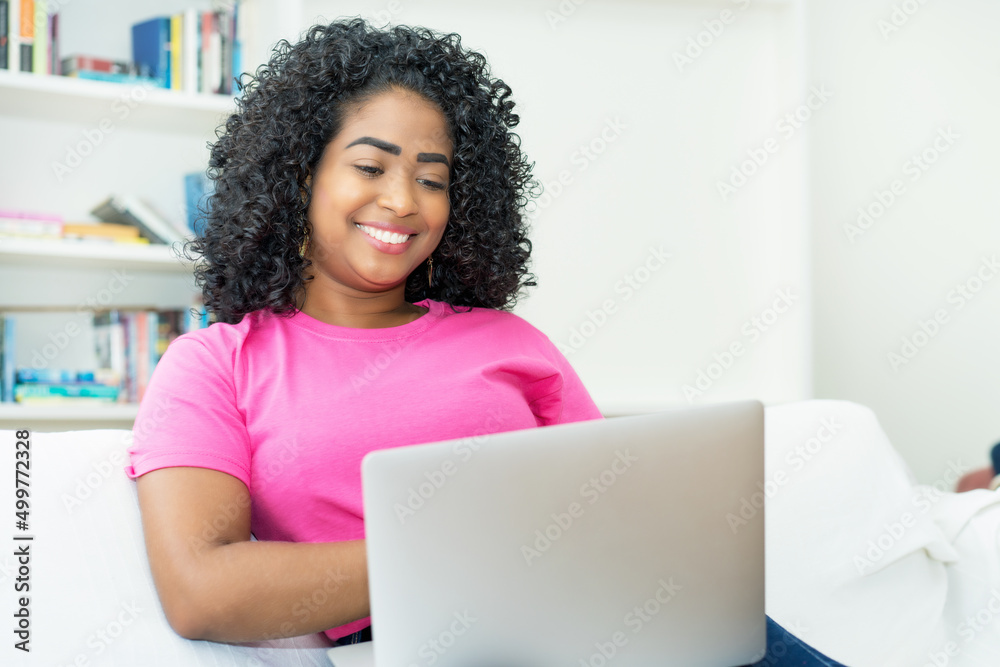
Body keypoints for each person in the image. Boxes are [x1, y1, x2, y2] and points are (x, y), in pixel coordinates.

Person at [124, 17, 845, 665]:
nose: (403, 201)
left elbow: (615, 513)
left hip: (619, 617)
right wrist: (467, 556)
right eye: (370, 167)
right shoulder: (217, 363)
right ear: (298, 175)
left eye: (432, 180)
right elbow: (201, 589)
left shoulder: (509, 341)